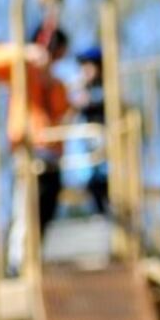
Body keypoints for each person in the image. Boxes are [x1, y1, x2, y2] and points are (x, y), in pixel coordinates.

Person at [0, 27, 71, 248]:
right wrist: (25, 52)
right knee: (25, 209)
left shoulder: (57, 84)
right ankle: (19, 260)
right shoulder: (21, 70)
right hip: (28, 151)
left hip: (52, 156)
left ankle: (35, 254)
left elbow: (62, 111)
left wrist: (49, 82)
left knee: (46, 209)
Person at [73, 46, 108, 214]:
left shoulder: (106, 88)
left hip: (106, 150)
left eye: (89, 65)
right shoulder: (83, 89)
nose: (85, 70)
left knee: (105, 185)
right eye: (83, 66)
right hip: (91, 152)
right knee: (94, 186)